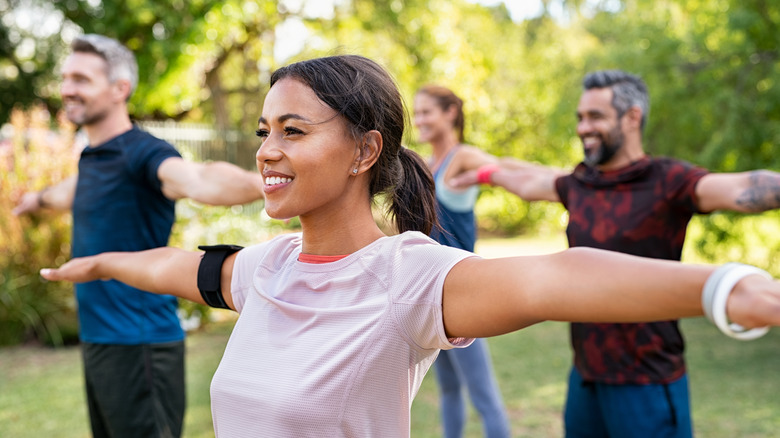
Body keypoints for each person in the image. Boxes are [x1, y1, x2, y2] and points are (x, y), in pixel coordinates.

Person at [38, 56, 780, 438]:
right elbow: (182, 268)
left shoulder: (408, 277)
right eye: (265, 130)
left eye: (293, 131)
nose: (266, 150)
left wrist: (723, 288)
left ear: (364, 152)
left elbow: (556, 277)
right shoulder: (269, 267)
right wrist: (103, 263)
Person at [451, 69, 780, 438]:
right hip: (586, 378)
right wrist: (483, 174)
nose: (583, 127)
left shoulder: (668, 181)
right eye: (580, 117)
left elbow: (740, 187)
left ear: (632, 117)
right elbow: (529, 181)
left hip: (647, 382)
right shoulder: (580, 182)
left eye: (595, 116)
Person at [13, 34, 264, 438]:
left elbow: (197, 179)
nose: (67, 89)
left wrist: (269, 184)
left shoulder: (143, 154)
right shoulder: (94, 158)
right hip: (100, 341)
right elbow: (69, 192)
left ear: (120, 89)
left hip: (140, 344)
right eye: (66, 78)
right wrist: (34, 200)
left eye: (81, 79)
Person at [413, 85, 510, 438]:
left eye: (426, 112)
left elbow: (505, 170)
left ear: (450, 113)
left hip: (463, 295)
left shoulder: (463, 157)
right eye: (417, 113)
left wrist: (481, 176)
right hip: (431, 296)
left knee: (483, 397)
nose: (419, 120)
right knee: (450, 391)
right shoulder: (425, 166)